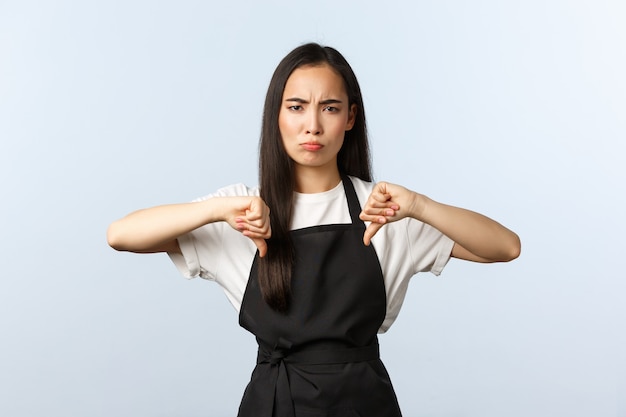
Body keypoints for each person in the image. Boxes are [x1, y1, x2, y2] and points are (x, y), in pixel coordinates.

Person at [107, 43, 521, 417]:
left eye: (329, 107)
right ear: (277, 116)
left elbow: (506, 247)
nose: (312, 126)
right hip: (273, 404)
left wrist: (419, 206)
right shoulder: (244, 213)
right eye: (297, 106)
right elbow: (121, 235)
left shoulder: (386, 212)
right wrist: (217, 211)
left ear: (350, 118)